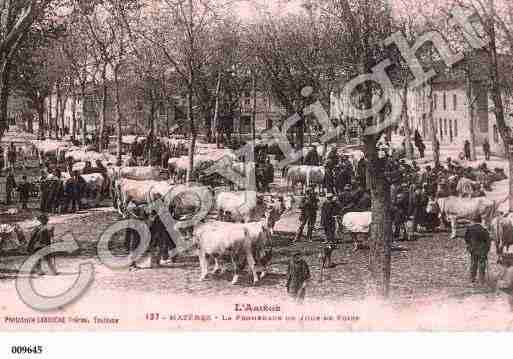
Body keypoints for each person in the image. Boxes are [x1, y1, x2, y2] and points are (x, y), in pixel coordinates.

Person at [464, 214, 491, 284]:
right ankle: (481, 279)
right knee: (482, 264)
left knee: (473, 263)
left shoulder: (469, 229)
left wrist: (469, 247)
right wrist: (487, 250)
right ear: (480, 221)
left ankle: (472, 279)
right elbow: (488, 241)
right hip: (482, 250)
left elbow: (466, 239)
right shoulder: (484, 229)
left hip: (473, 249)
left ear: (473, 221)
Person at [320, 193, 338, 268]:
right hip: (328, 220)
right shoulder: (328, 204)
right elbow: (324, 213)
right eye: (329, 198)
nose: (329, 199)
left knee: (330, 231)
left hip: (329, 220)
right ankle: (330, 241)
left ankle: (330, 241)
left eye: (330, 198)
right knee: (329, 231)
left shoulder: (330, 204)